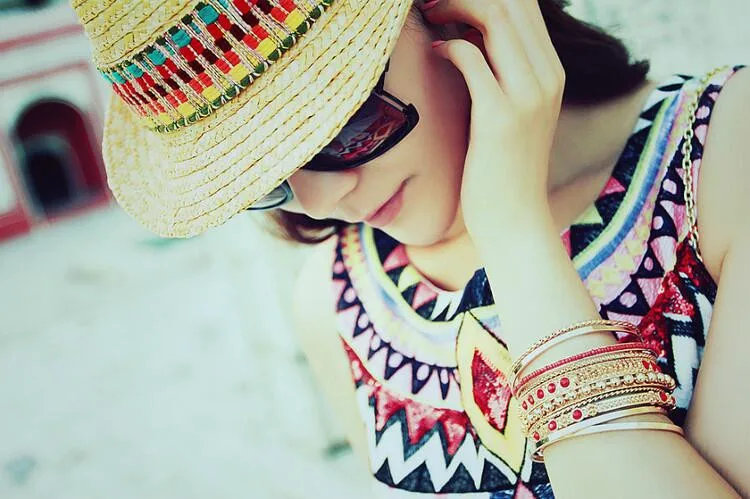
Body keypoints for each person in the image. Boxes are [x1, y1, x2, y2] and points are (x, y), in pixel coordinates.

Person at [73, 0, 749, 497]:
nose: (321, 198)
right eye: (262, 176)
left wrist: (512, 233)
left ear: (459, 15)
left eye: (345, 121)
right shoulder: (338, 303)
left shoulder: (726, 152)